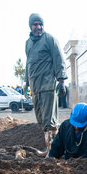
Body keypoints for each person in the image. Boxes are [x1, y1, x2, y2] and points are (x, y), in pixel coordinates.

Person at [25, 13, 67, 155]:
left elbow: (59, 59)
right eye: (35, 24)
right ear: (30, 26)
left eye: (40, 24)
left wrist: (61, 81)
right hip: (35, 88)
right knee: (41, 119)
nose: (38, 27)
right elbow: (28, 64)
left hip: (48, 86)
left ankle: (52, 151)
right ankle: (48, 147)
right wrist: (26, 83)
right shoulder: (28, 43)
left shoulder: (49, 39)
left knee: (50, 120)